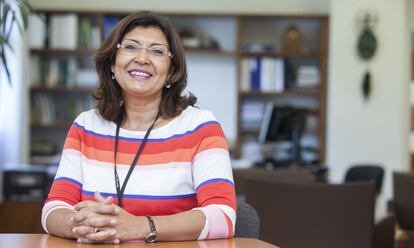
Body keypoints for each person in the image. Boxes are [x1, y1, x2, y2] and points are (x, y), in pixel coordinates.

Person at [41, 11, 236, 244]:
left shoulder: (200, 126)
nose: (142, 58)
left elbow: (223, 217)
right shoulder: (85, 126)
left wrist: (141, 226)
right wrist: (80, 225)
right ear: (112, 64)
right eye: (131, 47)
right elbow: (53, 209)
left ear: (171, 71)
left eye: (156, 51)